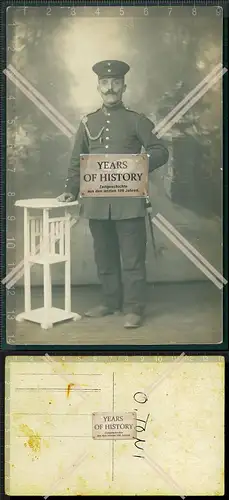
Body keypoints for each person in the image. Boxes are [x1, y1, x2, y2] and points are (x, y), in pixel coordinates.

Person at [58, 60, 169, 328]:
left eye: (116, 82)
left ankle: (133, 308)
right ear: (98, 87)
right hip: (96, 203)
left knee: (131, 257)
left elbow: (160, 150)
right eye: (106, 83)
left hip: (129, 203)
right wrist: (69, 190)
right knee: (104, 254)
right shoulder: (88, 122)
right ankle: (110, 302)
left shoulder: (136, 121)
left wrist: (138, 165)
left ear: (124, 86)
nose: (111, 88)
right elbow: (77, 160)